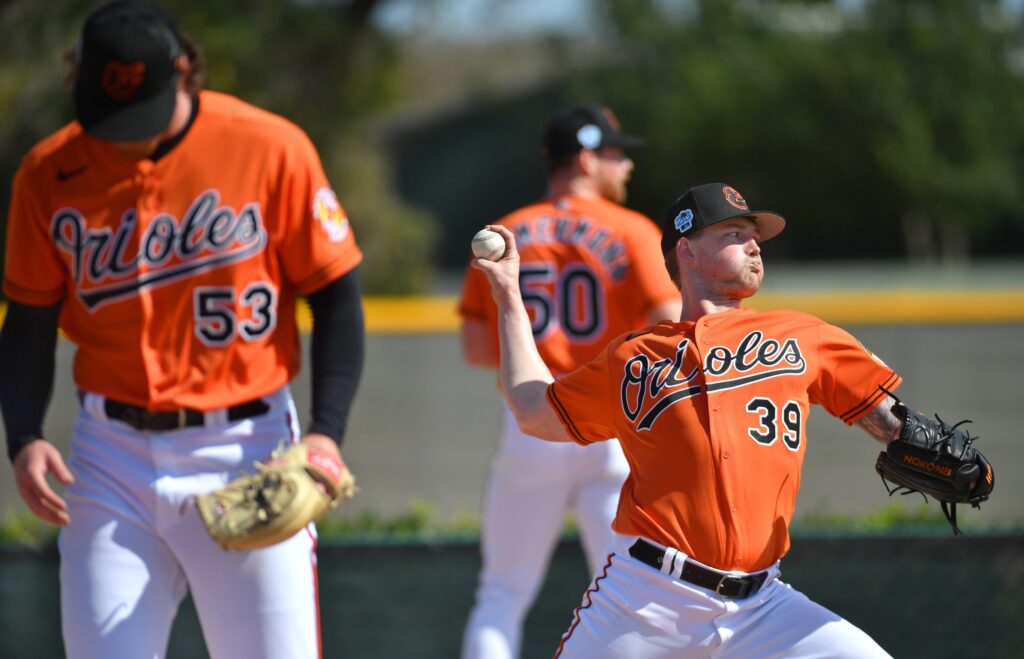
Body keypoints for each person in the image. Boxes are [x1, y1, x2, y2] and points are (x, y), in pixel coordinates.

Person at [0, 2, 365, 658]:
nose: (124, 135)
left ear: (185, 73)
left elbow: (336, 294)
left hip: (247, 448)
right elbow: (29, 320)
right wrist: (23, 434)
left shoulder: (269, 146)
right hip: (108, 456)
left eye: (141, 110)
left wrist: (325, 432)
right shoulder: (49, 172)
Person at [468, 180, 948, 658]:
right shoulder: (633, 359)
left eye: (754, 235)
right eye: (735, 233)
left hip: (763, 607)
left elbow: (889, 420)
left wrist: (918, 440)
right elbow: (534, 410)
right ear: (687, 251)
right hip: (645, 602)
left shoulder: (803, 335)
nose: (754, 245)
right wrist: (509, 295)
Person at [457, 105, 680, 659]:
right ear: (585, 158)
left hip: (530, 419)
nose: (626, 164)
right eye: (615, 152)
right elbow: (672, 328)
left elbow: (478, 347)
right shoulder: (631, 229)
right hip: (610, 424)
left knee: (501, 594)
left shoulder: (504, 232)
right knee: (631, 597)